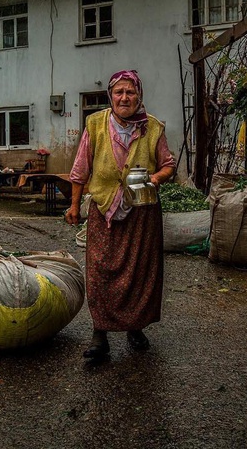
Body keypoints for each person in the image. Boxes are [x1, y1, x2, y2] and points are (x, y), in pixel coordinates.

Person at [65, 70, 176, 359]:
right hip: (105, 209)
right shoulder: (96, 124)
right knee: (100, 271)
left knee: (140, 273)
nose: (124, 97)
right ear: (110, 96)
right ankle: (99, 335)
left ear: (139, 96)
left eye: (130, 92)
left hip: (142, 214)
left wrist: (154, 179)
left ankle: (135, 327)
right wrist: (75, 206)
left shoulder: (153, 127)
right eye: (119, 92)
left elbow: (168, 165)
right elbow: (80, 170)